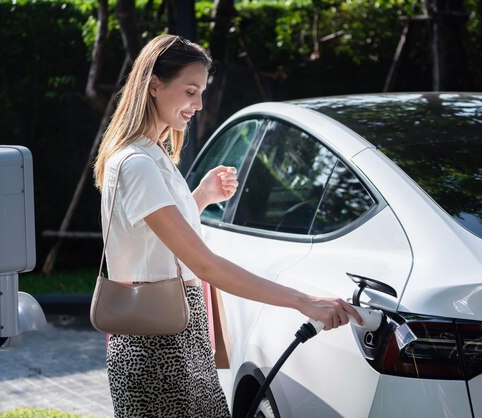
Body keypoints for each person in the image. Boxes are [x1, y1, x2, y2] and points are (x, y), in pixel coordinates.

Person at [93, 34, 362, 418]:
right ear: (154, 85)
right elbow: (205, 265)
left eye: (201, 92)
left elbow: (151, 238)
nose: (198, 105)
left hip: (174, 337)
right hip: (157, 348)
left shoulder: (151, 156)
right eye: (190, 90)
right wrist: (304, 301)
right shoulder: (137, 162)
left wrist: (198, 197)